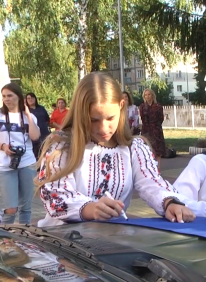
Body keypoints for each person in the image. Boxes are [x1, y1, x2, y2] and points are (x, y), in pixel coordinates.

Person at [35, 73, 194, 227]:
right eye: (94, 120)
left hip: (112, 243)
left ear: (121, 106)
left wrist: (170, 202)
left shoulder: (134, 148)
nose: (103, 128)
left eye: (110, 118)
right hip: (62, 244)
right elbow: (56, 196)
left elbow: (152, 182)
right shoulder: (61, 146)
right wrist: (91, 209)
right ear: (80, 114)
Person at [0, 83, 41, 224]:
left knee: (26, 207)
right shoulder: (0, 115)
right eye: (4, 96)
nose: (6, 99)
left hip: (27, 163)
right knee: (11, 208)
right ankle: (4, 238)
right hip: (5, 165)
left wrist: (28, 115)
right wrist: (3, 146)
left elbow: (35, 137)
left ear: (19, 97)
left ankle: (24, 240)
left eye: (10, 95)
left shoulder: (29, 117)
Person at [139, 88, 166, 166]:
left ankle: (158, 171)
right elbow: (142, 118)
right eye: (146, 95)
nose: (147, 96)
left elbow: (161, 118)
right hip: (146, 131)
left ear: (152, 95)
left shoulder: (158, 106)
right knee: (148, 151)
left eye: (149, 94)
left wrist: (156, 126)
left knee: (158, 153)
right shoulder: (142, 106)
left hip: (157, 131)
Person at [25, 93, 51, 159]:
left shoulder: (41, 108)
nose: (30, 99)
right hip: (33, 136)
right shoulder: (26, 111)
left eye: (32, 98)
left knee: (47, 153)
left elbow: (47, 119)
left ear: (35, 99)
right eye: (28, 98)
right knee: (36, 155)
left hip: (44, 133)